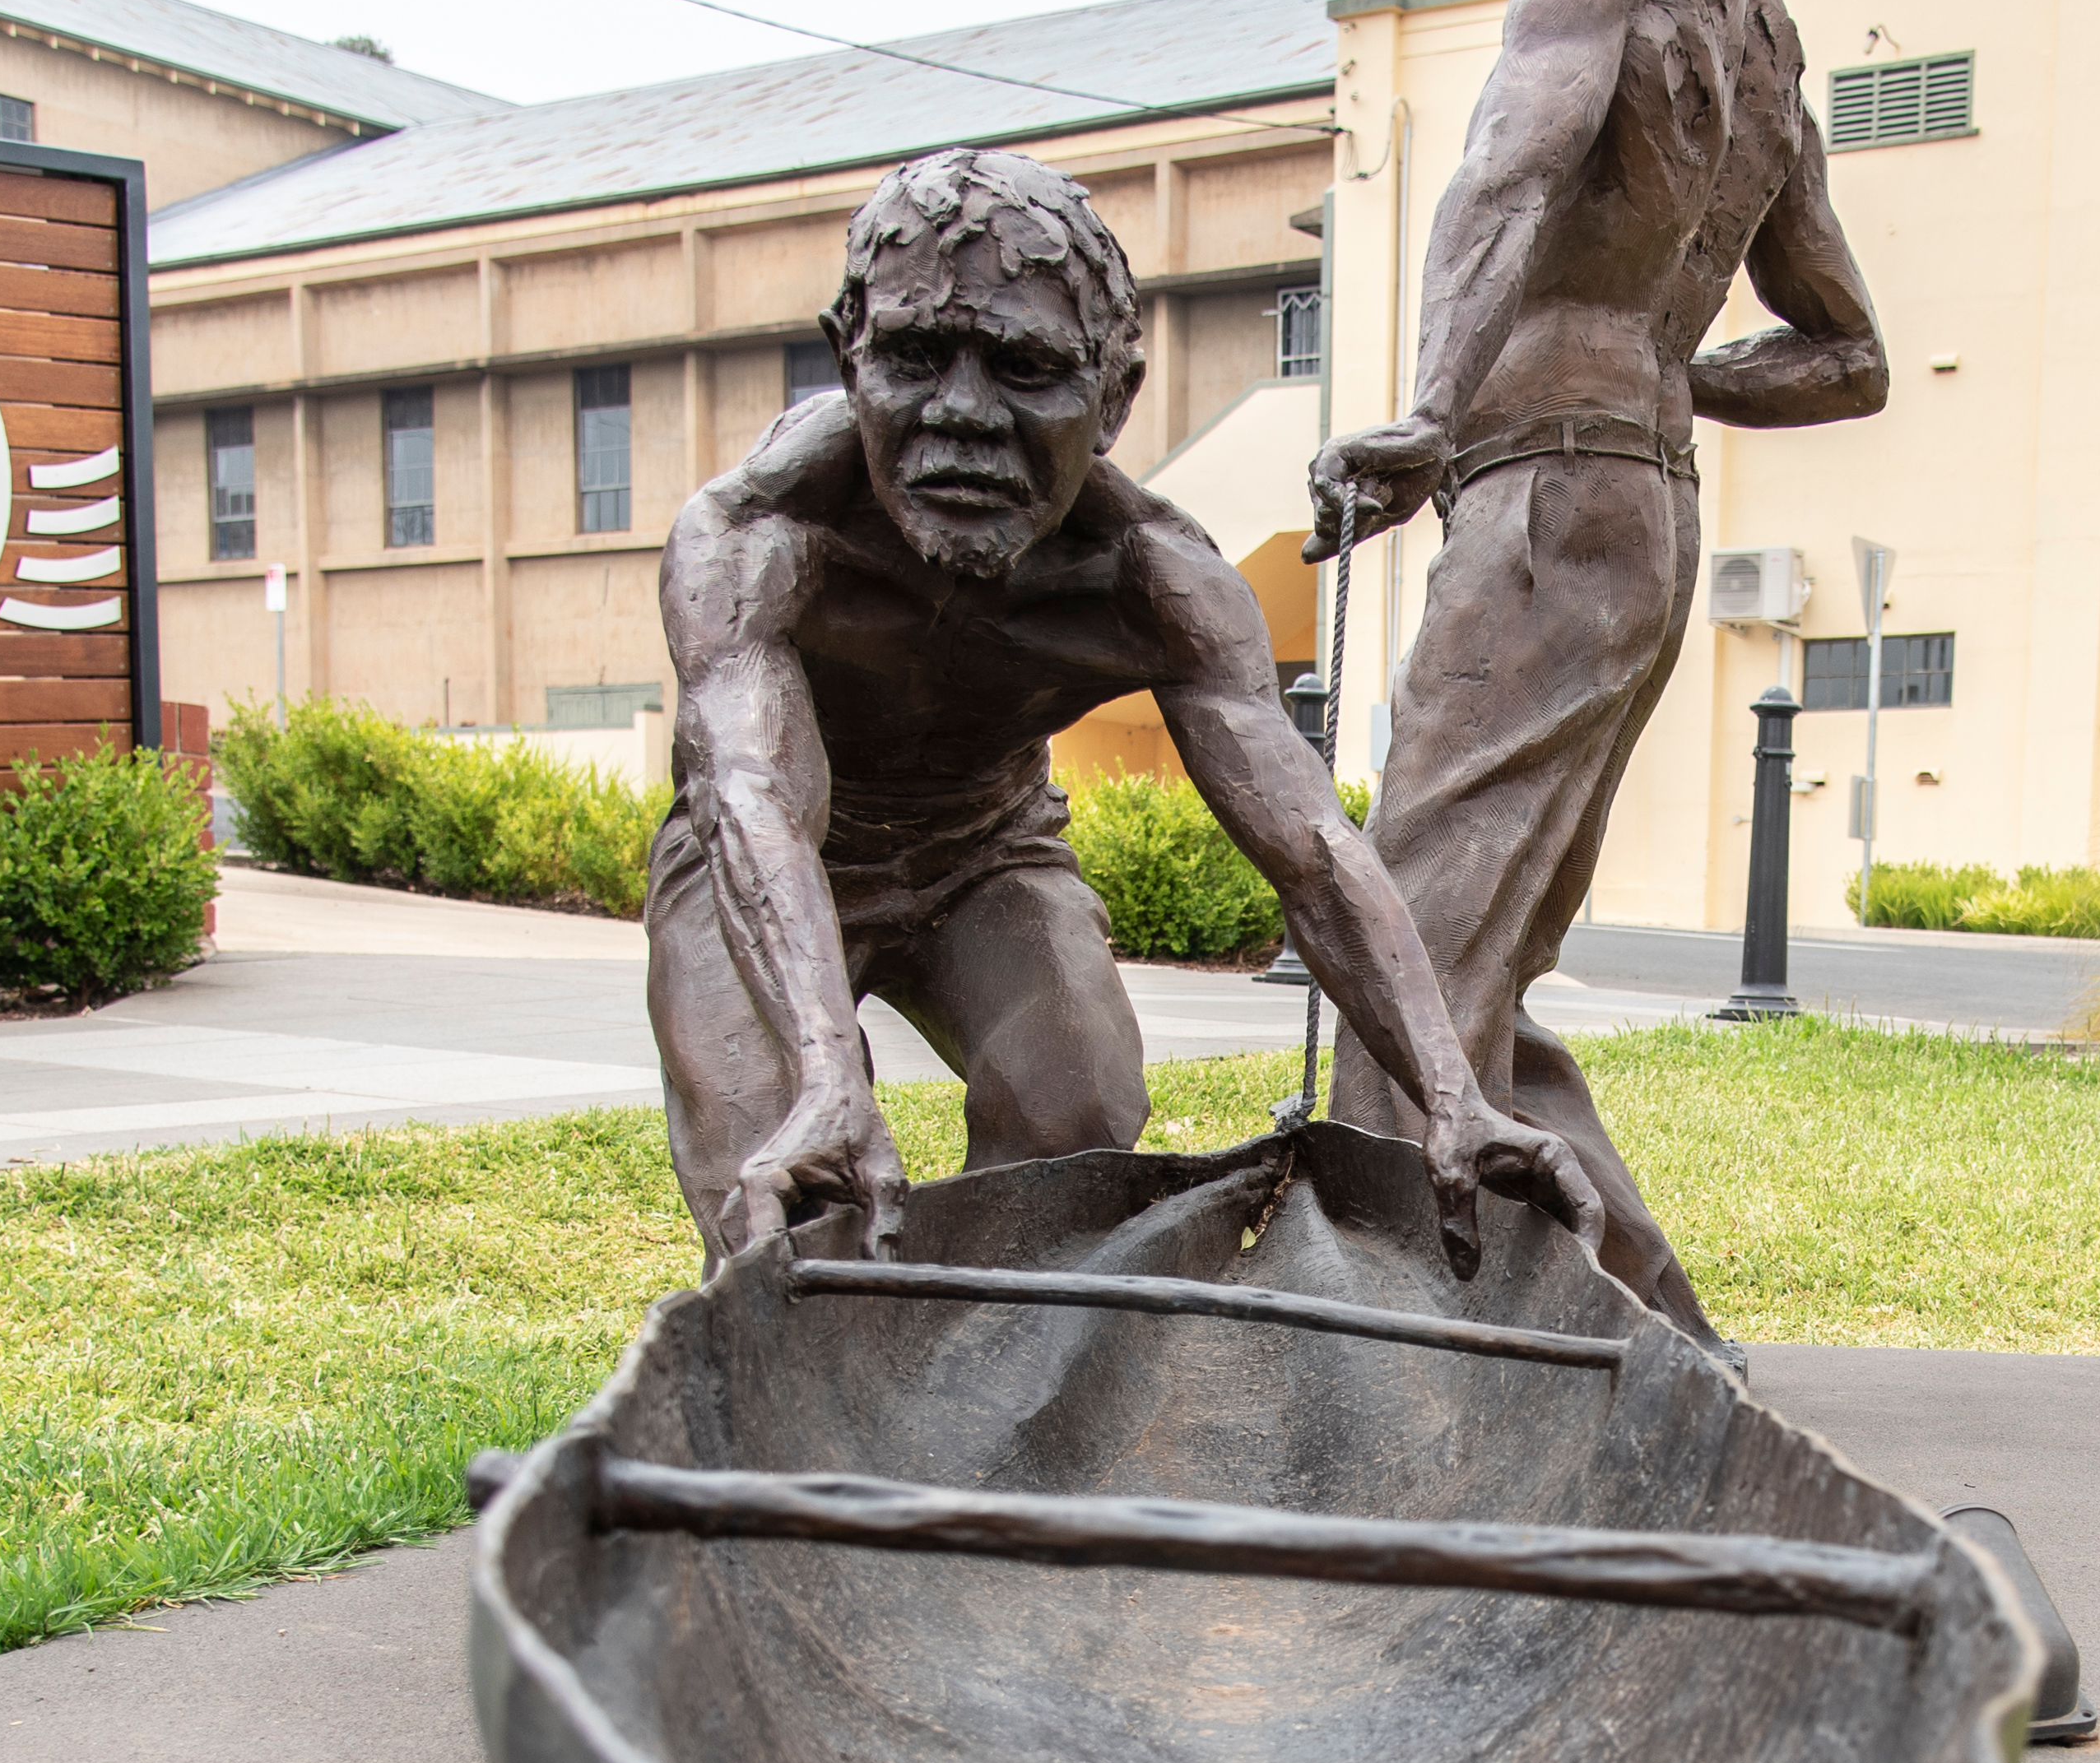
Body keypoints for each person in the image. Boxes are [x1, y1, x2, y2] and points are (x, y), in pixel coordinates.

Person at [647, 145, 1601, 1274]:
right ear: (846, 356)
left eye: (1024, 371)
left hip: (986, 858)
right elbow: (754, 797)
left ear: (1114, 397)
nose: (961, 416)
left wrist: (1450, 1095)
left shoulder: (1155, 578)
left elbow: (1308, 848)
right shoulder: (754, 539)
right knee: (785, 1199)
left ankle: (996, 1383)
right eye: (913, 358)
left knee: (1075, 1119)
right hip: (758, 865)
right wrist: (824, 1072)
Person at [1308, 0, 1886, 1349]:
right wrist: (1648, 369)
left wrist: (1432, 406)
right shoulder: (1762, 32)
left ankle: (1391, 1347)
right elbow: (1835, 351)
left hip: (1549, 511)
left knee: (1397, 947)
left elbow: (1500, 185)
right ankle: (1647, 1334)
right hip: (1636, 510)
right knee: (1468, 966)